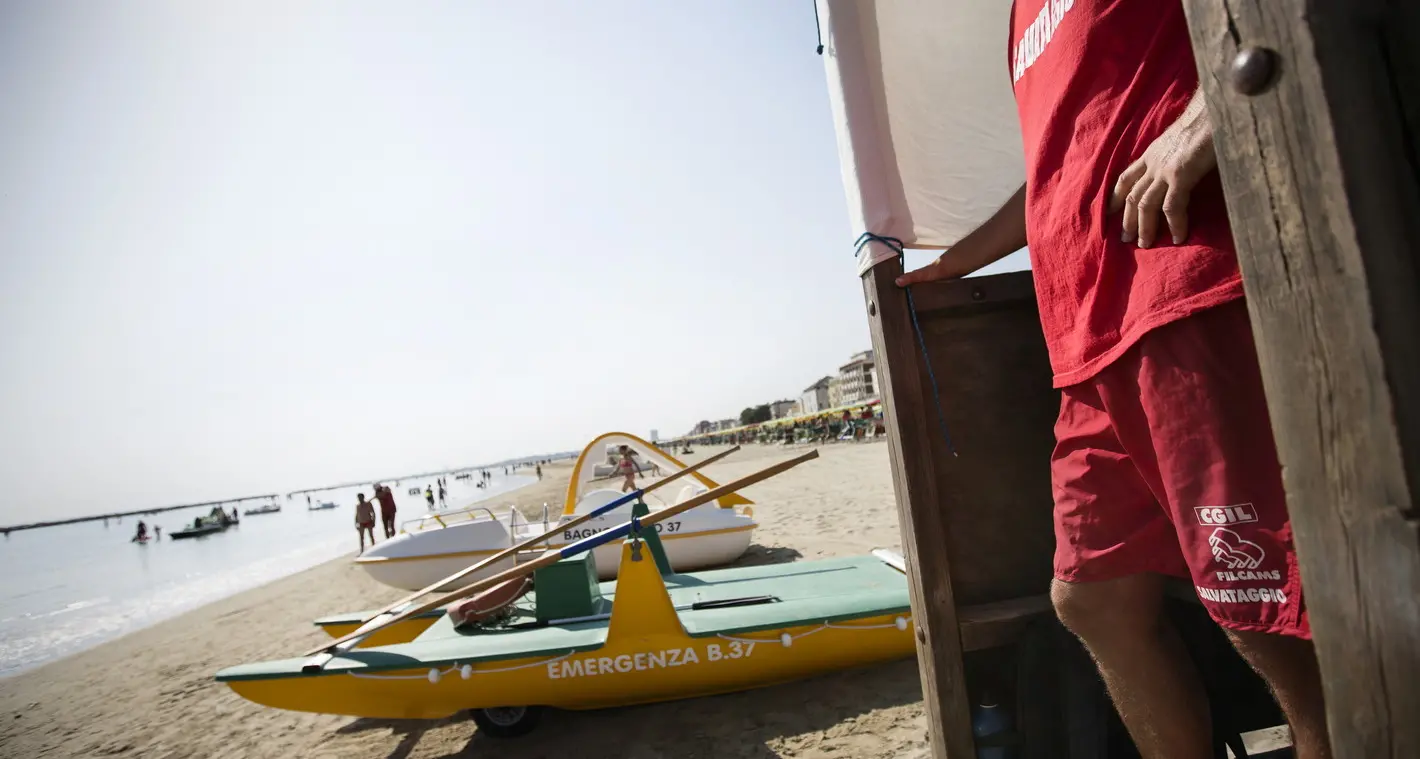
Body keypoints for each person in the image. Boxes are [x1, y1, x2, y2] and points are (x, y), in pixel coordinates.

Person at [893, 3, 1330, 756]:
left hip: (1179, 281)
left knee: (1260, 602)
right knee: (1090, 596)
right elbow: (1058, 160)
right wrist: (954, 261)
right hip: (1083, 330)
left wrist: (1208, 115)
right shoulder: (1021, 16)